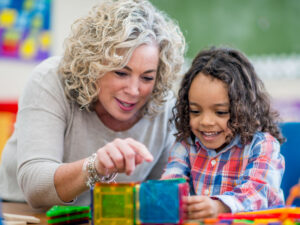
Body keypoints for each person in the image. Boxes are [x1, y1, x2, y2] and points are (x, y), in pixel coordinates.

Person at [0, 0, 185, 209]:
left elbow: (160, 190)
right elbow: (35, 187)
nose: (134, 90)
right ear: (93, 64)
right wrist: (95, 166)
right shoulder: (49, 80)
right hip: (23, 211)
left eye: (147, 78)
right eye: (121, 73)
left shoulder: (163, 102)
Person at [161, 47, 285, 219]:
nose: (205, 121)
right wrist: (170, 200)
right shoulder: (186, 143)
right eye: (195, 111)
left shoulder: (263, 146)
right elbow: (171, 183)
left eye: (220, 112)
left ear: (243, 109)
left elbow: (257, 193)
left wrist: (219, 207)